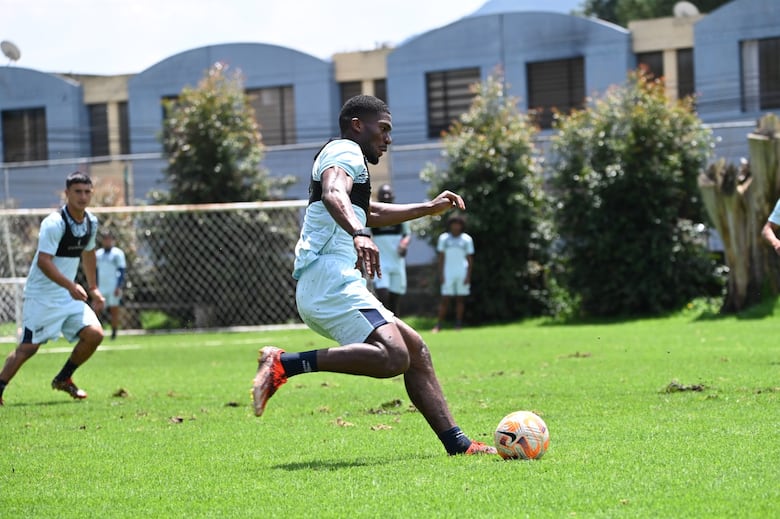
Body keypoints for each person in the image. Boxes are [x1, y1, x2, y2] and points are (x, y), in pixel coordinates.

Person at [251, 95, 496, 456]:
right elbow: (334, 193)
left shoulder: (350, 160)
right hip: (328, 279)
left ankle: (458, 445)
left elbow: (369, 212)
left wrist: (427, 208)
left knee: (416, 351)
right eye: (383, 129)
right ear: (357, 125)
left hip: (331, 280)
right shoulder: (345, 151)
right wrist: (359, 233)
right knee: (394, 357)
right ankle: (285, 364)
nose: (388, 138)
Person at [0, 172, 105, 406]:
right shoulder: (54, 222)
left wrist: (93, 288)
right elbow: (43, 262)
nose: (83, 197)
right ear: (67, 193)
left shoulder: (91, 222)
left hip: (67, 295)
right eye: (77, 192)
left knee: (94, 334)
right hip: (42, 295)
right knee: (29, 348)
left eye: (87, 192)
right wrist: (71, 285)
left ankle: (64, 378)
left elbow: (88, 252)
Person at [370, 184, 411, 315]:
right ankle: (385, 323)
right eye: (383, 194)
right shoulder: (372, 214)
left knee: (394, 300)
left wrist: (404, 244)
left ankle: (396, 324)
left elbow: (407, 234)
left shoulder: (400, 213)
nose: (386, 196)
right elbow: (366, 234)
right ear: (378, 197)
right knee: (383, 296)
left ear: (393, 196)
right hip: (380, 261)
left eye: (388, 194)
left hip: (397, 261)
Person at [432, 215, 474, 333]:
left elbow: (470, 259)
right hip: (448, 273)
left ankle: (458, 324)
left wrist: (468, 275)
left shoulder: (466, 239)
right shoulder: (444, 238)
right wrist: (441, 274)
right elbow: (441, 258)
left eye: (458, 224)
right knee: (445, 299)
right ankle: (438, 325)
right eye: (454, 224)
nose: (456, 227)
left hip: (462, 272)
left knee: (460, 299)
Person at [96, 231, 126, 340]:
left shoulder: (117, 253)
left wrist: (118, 286)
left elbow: (121, 270)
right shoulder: (98, 254)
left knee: (114, 310)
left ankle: (114, 332)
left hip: (113, 286)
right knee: (97, 308)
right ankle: (96, 330)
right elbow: (95, 271)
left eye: (109, 239)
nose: (107, 241)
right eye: (105, 239)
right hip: (101, 286)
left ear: (113, 240)